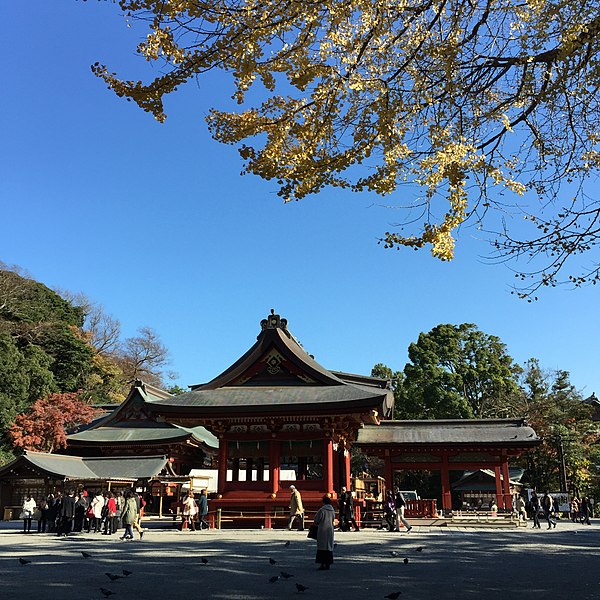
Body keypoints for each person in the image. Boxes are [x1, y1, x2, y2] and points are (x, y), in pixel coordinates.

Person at [313, 495, 335, 570]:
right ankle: (328, 563)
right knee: (329, 546)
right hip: (330, 529)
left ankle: (322, 564)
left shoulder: (322, 510)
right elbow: (333, 519)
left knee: (322, 547)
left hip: (323, 529)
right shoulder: (332, 510)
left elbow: (317, 519)